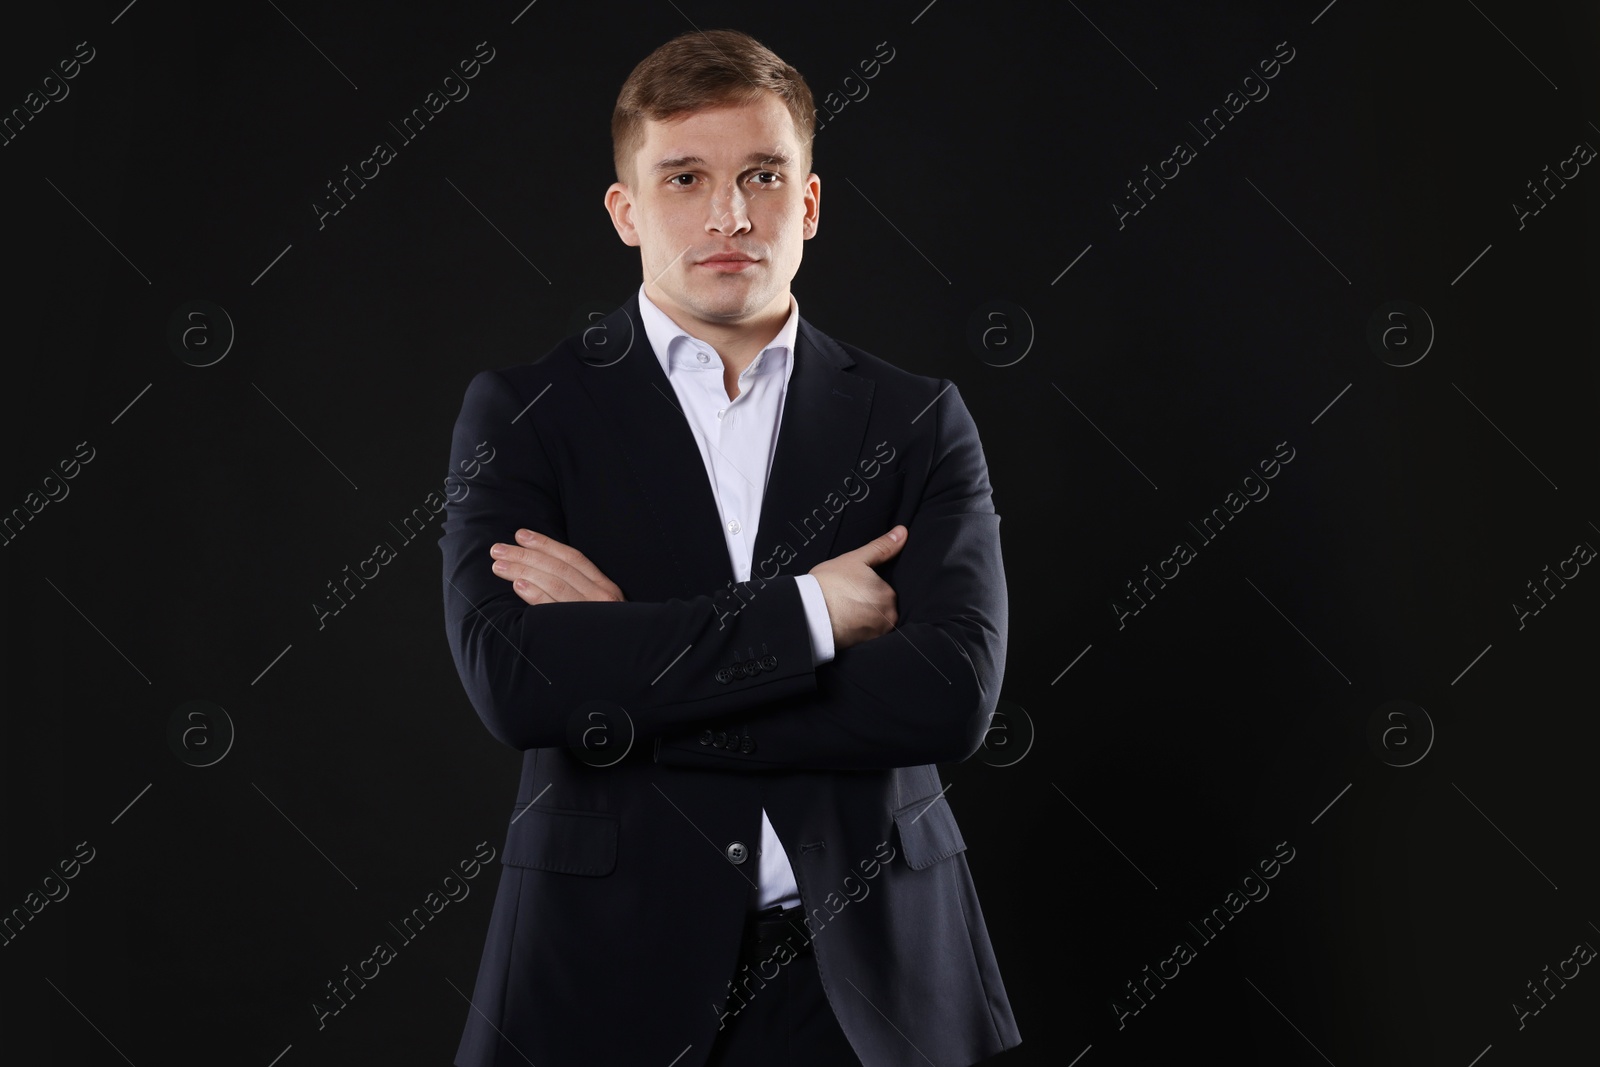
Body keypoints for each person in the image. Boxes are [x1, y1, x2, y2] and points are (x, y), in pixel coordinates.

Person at [440, 27, 1019, 1067]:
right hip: (603, 967)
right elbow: (516, 683)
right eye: (683, 177)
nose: (728, 213)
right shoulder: (525, 412)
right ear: (625, 209)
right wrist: (806, 617)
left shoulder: (919, 416)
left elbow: (950, 693)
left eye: (762, 174)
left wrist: (626, 679)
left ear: (807, 203)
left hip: (875, 972)